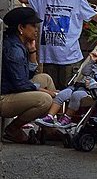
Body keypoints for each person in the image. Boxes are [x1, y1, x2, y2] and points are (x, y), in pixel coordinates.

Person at [0, 7, 57, 143]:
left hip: (13, 90)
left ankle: (47, 129)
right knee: (45, 99)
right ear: (21, 27)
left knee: (45, 79)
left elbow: (27, 75)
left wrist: (32, 52)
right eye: (32, 26)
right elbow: (20, 84)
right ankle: (13, 129)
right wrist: (48, 92)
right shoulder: (14, 49)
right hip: (4, 97)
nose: (36, 29)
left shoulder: (19, 44)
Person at [35, 41, 97, 128]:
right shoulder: (94, 65)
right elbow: (85, 72)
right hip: (79, 86)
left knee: (76, 95)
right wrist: (91, 62)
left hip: (91, 92)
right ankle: (50, 116)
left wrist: (95, 84)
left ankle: (67, 118)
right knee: (61, 94)